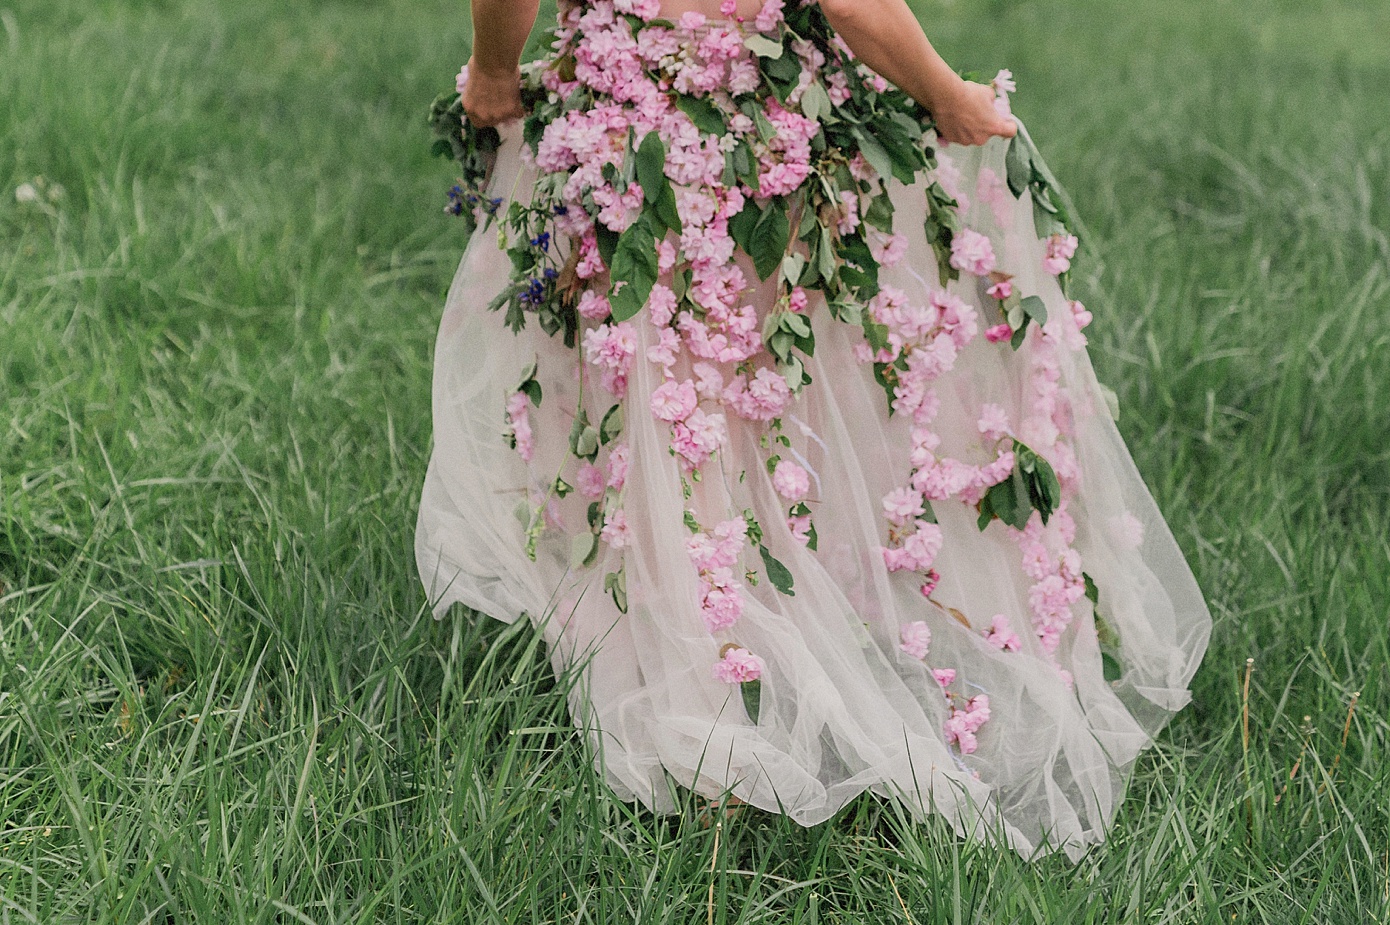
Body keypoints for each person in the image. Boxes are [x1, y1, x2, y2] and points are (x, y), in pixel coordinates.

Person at [416, 0, 1211, 860]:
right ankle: (745, 672)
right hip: (759, 125)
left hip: (632, 122)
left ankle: (705, 703)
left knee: (673, 415)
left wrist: (495, 73)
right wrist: (944, 94)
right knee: (757, 390)